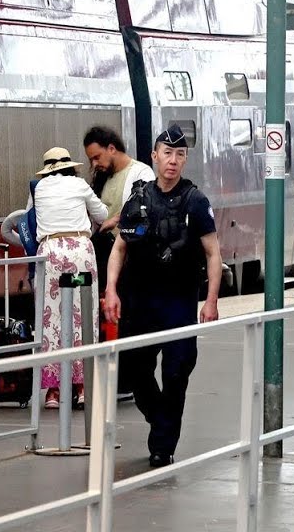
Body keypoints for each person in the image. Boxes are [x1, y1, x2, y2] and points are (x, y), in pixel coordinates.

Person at [103, 124, 222, 468]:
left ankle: (162, 444)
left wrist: (211, 300)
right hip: (139, 298)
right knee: (135, 370)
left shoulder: (195, 201)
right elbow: (120, 248)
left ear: (185, 160)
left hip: (178, 299)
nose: (173, 160)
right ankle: (160, 418)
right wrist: (111, 289)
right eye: (167, 153)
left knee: (176, 372)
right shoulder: (139, 198)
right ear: (154, 156)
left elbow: (213, 252)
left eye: (179, 155)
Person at [29, 147, 108, 409]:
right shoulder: (80, 184)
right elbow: (102, 215)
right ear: (71, 167)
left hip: (51, 255)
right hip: (79, 254)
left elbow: (31, 219)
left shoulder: (39, 188)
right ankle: (83, 386)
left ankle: (54, 391)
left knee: (51, 317)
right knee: (83, 313)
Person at [83, 125, 154, 401]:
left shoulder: (141, 173)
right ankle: (104, 377)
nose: (95, 164)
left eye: (97, 157)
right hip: (104, 255)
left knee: (127, 319)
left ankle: (126, 381)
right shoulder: (102, 179)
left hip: (129, 257)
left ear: (112, 148)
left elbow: (143, 210)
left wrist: (116, 220)